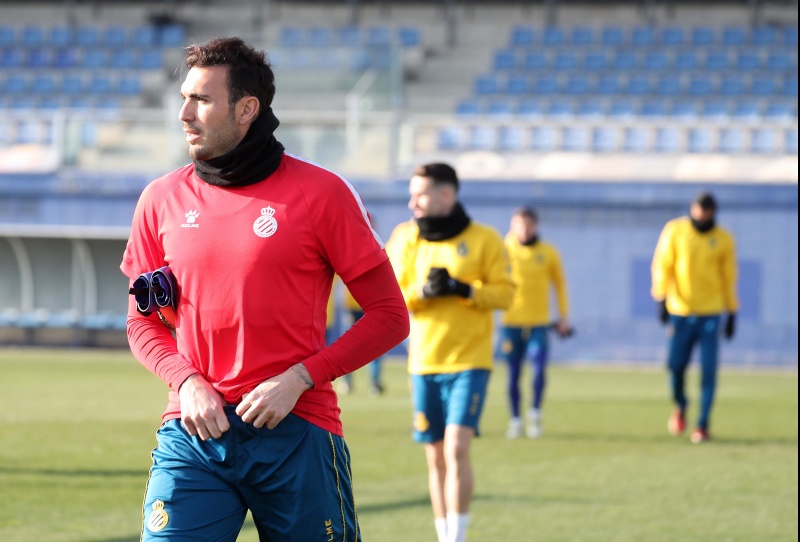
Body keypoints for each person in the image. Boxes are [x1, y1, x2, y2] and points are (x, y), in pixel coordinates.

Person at [120, 37, 409, 541]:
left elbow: (389, 315)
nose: (184, 114)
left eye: (201, 100)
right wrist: (186, 382)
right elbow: (141, 322)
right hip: (194, 432)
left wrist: (300, 378)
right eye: (184, 98)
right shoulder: (160, 198)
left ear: (247, 109)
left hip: (297, 431)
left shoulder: (322, 193)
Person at [387, 163, 514, 542]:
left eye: (420, 194)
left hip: (470, 361)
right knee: (435, 454)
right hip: (423, 362)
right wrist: (423, 293)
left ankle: (457, 537)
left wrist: (464, 289)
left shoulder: (485, 239)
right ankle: (444, 535)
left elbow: (506, 294)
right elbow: (390, 296)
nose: (412, 202)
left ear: (446, 194)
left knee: (457, 447)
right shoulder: (405, 238)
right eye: (411, 194)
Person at [651, 192, 738, 444]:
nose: (701, 215)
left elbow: (728, 276)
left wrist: (732, 311)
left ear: (712, 212)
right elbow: (662, 264)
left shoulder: (723, 239)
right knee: (675, 367)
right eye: (698, 209)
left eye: (706, 210)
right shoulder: (676, 231)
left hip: (711, 313)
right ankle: (681, 404)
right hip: (681, 311)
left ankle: (702, 424)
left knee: (709, 370)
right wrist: (660, 297)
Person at [500, 206, 571, 439]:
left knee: (539, 368)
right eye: (519, 224)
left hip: (539, 323)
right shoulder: (503, 251)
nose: (523, 229)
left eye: (528, 224)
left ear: (535, 226)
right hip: (511, 323)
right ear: (512, 226)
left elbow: (560, 285)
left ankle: (535, 413)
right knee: (513, 374)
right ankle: (515, 420)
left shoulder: (548, 253)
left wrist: (563, 317)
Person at [337, 286, 387, 396]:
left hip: (371, 306)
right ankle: (346, 381)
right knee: (347, 347)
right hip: (352, 307)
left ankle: (374, 383)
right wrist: (345, 308)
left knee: (374, 346)